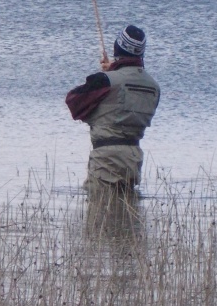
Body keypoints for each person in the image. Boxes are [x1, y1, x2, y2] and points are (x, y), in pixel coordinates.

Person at [65, 25, 160, 195]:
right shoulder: (154, 87)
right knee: (127, 216)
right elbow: (123, 106)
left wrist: (106, 76)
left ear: (118, 47)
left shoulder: (104, 81)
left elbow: (74, 102)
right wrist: (114, 71)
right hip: (133, 159)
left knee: (99, 215)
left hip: (105, 160)